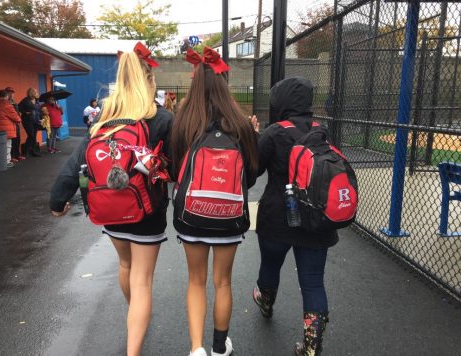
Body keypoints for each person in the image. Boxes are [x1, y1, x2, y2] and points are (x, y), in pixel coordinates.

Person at [49, 42, 172, 356]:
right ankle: (134, 343)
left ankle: (135, 312)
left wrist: (58, 198)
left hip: (109, 208)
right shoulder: (160, 118)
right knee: (143, 280)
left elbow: (79, 159)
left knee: (125, 264)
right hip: (146, 209)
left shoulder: (104, 118)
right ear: (149, 83)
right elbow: (176, 163)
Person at [171, 47, 258, 356]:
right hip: (230, 216)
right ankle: (220, 347)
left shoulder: (182, 121)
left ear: (195, 83)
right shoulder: (241, 123)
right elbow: (249, 178)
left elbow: (174, 172)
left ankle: (196, 349)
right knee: (223, 282)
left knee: (196, 281)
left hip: (192, 215)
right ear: (224, 84)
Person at [252, 77, 338, 356]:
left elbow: (252, 173)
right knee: (313, 280)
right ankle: (312, 347)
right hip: (317, 220)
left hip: (277, 217)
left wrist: (254, 139)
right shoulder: (322, 131)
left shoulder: (275, 132)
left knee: (270, 265)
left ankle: (265, 303)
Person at [0, 90, 21, 168]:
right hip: (6, 128)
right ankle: (7, 162)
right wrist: (19, 119)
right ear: (6, 96)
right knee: (7, 145)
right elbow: (16, 118)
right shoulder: (7, 104)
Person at [18, 88, 41, 157]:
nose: (37, 93)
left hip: (36, 120)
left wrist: (41, 118)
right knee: (31, 135)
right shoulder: (26, 100)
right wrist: (25, 112)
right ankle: (26, 151)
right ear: (31, 93)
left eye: (36, 92)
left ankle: (33, 151)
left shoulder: (37, 100)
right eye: (35, 92)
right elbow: (18, 108)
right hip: (27, 120)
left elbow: (38, 110)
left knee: (34, 136)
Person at [5, 87, 25, 162]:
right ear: (6, 93)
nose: (11, 94)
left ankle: (17, 154)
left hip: (16, 123)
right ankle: (12, 156)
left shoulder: (13, 101)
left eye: (12, 93)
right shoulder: (5, 102)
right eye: (9, 93)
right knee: (12, 140)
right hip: (10, 124)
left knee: (17, 139)